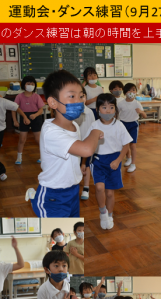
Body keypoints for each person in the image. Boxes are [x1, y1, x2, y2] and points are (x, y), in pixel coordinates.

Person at [32, 69, 103, 217]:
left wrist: (81, 165)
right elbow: (86, 149)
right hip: (53, 196)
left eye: (81, 96)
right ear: (53, 102)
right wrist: (96, 131)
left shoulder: (74, 125)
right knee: (57, 231)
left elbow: (76, 151)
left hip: (72, 189)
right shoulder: (51, 131)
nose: (79, 101)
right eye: (72, 96)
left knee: (73, 229)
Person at [85, 93, 132, 230]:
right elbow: (87, 144)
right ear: (98, 109)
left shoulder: (119, 125)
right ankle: (103, 212)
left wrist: (118, 160)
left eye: (111, 107)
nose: (108, 111)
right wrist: (84, 163)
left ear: (115, 109)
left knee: (110, 193)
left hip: (114, 161)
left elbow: (126, 145)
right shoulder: (94, 125)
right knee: (99, 188)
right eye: (104, 107)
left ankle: (110, 215)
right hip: (98, 161)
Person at [14, 75, 45, 165]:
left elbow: (41, 109)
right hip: (24, 117)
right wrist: (19, 119)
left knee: (38, 139)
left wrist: (35, 115)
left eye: (32, 84)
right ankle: (19, 157)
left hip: (36, 117)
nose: (30, 86)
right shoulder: (19, 96)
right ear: (24, 85)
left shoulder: (37, 96)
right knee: (22, 139)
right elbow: (15, 108)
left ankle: (43, 156)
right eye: (28, 84)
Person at [117, 82, 147, 173]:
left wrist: (141, 112)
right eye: (129, 90)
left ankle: (133, 164)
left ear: (136, 92)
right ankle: (128, 158)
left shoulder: (137, 103)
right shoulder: (121, 103)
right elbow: (116, 114)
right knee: (125, 144)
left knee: (132, 145)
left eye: (133, 90)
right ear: (125, 92)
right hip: (123, 124)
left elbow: (145, 116)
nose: (131, 92)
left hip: (133, 124)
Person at [77, 87, 96, 200]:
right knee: (75, 165)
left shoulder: (89, 112)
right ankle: (74, 185)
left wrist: (91, 141)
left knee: (86, 165)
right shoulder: (71, 111)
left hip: (86, 144)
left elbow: (93, 128)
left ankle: (86, 187)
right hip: (74, 144)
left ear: (85, 97)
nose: (80, 99)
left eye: (82, 96)